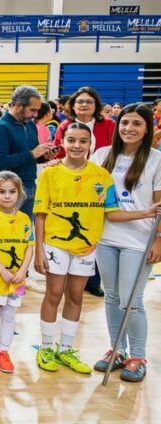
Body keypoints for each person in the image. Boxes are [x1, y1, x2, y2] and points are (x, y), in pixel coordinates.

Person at [33, 123, 159, 374]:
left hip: (88, 246)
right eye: (71, 140)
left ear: (90, 144)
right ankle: (46, 347)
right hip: (56, 244)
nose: (77, 146)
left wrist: (146, 213)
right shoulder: (50, 173)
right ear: (63, 142)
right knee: (54, 293)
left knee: (76, 296)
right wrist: (38, 250)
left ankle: (66, 349)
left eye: (82, 141)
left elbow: (111, 213)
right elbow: (40, 215)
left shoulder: (102, 176)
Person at [89, 104, 161, 382]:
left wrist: (158, 240)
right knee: (113, 297)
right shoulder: (102, 155)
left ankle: (137, 357)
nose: (129, 128)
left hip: (138, 240)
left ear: (147, 129)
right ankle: (117, 350)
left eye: (136, 124)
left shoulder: (155, 159)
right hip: (106, 237)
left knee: (132, 300)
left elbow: (158, 206)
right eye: (124, 123)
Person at [52, 87, 117, 297]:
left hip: (100, 182)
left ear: (96, 105)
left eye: (89, 101)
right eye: (80, 101)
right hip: (72, 185)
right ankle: (65, 276)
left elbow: (116, 150)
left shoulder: (107, 125)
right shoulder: (64, 125)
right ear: (73, 104)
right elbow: (59, 151)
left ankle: (93, 280)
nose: (84, 105)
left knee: (96, 230)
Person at [0, 172, 34, 373]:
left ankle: (4, 350)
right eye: (2, 192)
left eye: (12, 192)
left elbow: (30, 246)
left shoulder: (25, 218)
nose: (7, 196)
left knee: (10, 314)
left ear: (19, 193)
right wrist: (2, 271)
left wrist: (23, 271)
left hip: (17, 278)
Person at [0, 85, 54, 219]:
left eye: (37, 110)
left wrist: (44, 156)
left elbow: (32, 154)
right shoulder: (0, 128)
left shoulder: (30, 124)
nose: (35, 114)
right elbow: (0, 164)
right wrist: (32, 154)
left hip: (30, 185)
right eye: (32, 110)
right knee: (7, 233)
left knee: (25, 233)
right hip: (9, 190)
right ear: (18, 105)